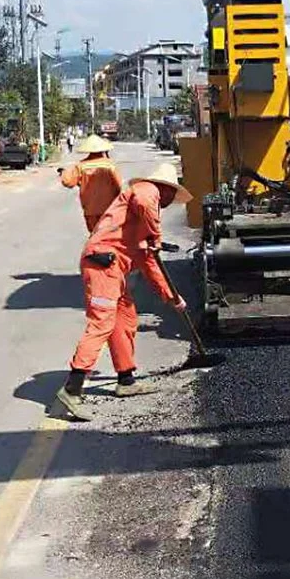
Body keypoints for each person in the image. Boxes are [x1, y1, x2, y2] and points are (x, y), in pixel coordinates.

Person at [55, 163, 193, 419]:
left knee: (125, 319)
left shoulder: (140, 219)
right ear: (165, 189)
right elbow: (143, 200)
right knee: (102, 323)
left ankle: (126, 380)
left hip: (114, 269)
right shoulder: (145, 190)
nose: (170, 201)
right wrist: (156, 235)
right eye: (172, 195)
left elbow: (148, 263)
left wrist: (172, 297)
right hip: (101, 263)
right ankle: (72, 390)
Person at [59, 134, 122, 233]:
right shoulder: (109, 164)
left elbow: (68, 182)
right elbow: (119, 186)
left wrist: (63, 173)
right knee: (107, 235)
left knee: (94, 234)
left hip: (90, 208)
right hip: (109, 208)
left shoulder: (81, 165)